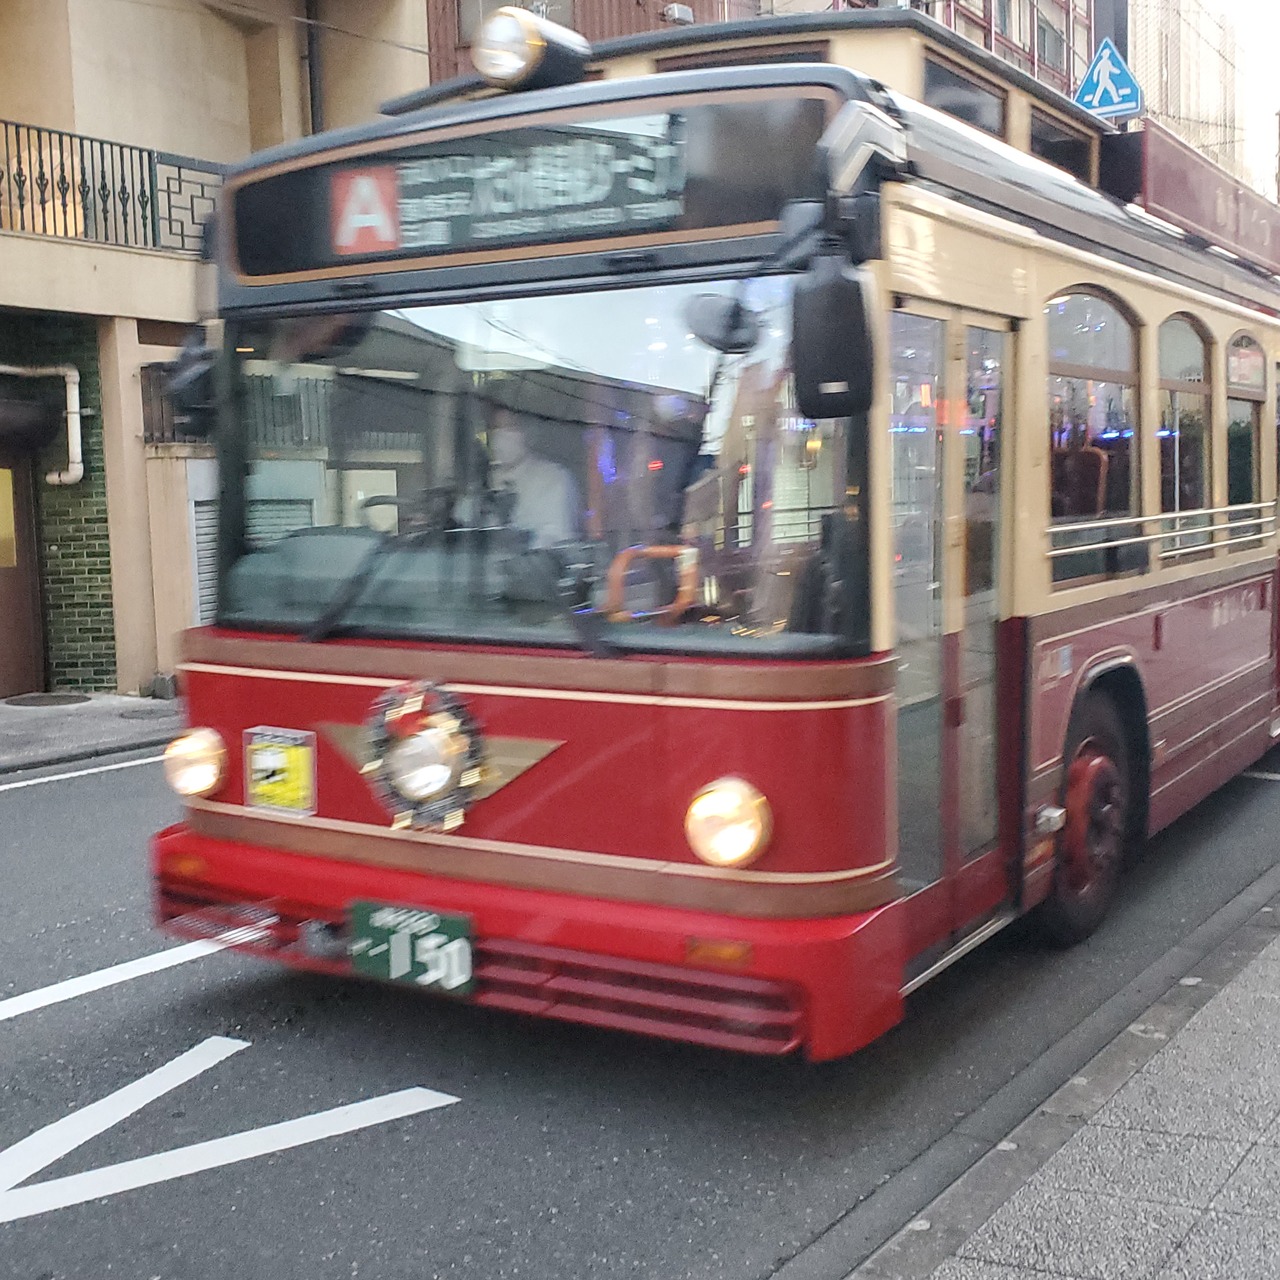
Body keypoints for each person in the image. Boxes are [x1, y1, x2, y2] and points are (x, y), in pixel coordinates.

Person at [488, 408, 579, 549]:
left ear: (528, 433)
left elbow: (556, 541)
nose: (500, 436)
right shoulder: (482, 481)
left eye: (510, 428)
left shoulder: (553, 479)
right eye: (496, 428)